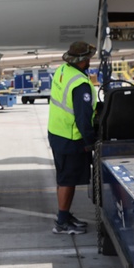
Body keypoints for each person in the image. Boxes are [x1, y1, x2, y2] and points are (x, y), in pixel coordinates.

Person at [48, 41, 98, 235]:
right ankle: (61, 222)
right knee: (68, 180)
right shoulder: (80, 84)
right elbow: (83, 119)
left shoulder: (62, 70)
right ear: (83, 60)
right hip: (70, 138)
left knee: (63, 178)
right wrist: (90, 142)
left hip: (57, 132)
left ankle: (65, 215)